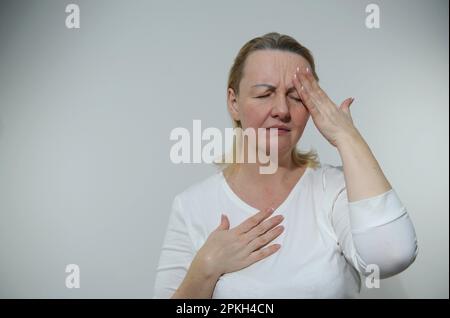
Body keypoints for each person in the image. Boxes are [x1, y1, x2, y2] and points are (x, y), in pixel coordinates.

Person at [153, 32, 418, 298]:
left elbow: (391, 255)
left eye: (296, 96)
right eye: (264, 94)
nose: (282, 109)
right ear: (234, 103)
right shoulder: (191, 206)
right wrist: (205, 269)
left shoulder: (334, 189)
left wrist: (346, 136)